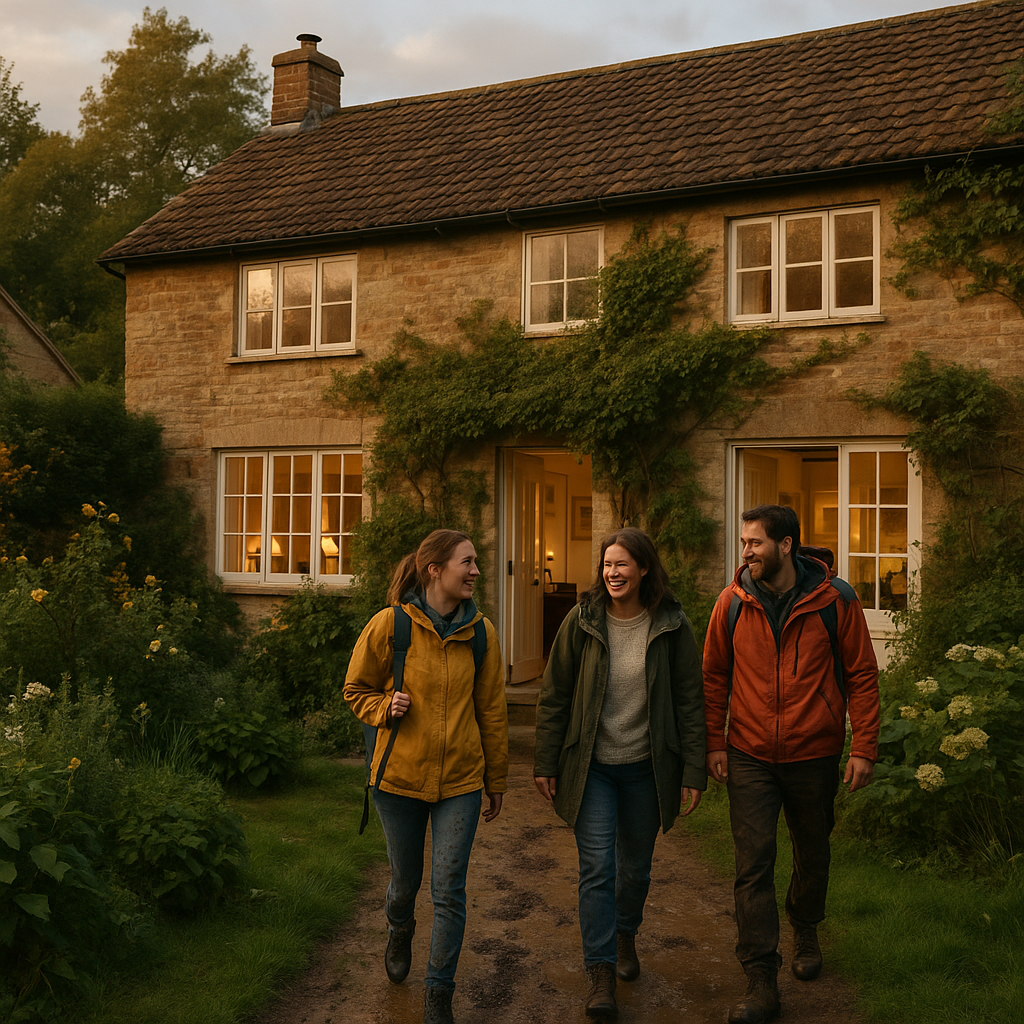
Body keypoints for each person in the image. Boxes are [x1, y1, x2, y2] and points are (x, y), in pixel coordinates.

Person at [703, 505, 880, 1024]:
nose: (746, 552)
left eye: (754, 543)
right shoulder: (731, 602)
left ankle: (804, 923)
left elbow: (863, 675)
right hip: (750, 752)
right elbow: (714, 677)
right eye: (743, 543)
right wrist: (716, 741)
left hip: (814, 752)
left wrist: (864, 747)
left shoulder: (835, 599)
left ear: (786, 546)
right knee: (752, 864)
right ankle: (761, 979)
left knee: (813, 850)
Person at [533, 527, 706, 1020]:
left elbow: (691, 701)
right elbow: (555, 693)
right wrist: (546, 761)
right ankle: (600, 971)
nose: (612, 573)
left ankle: (626, 930)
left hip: (647, 770)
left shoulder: (671, 623)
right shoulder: (582, 620)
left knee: (634, 869)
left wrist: (694, 768)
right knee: (597, 869)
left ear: (644, 568)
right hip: (593, 769)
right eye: (607, 565)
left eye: (622, 564)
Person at [344, 529, 509, 1024]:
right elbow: (355, 689)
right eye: (468, 562)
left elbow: (493, 712)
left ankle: (439, 992)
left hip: (459, 780)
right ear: (435, 569)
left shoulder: (482, 633)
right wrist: (382, 706)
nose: (476, 570)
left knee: (450, 888)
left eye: (475, 562)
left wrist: (495, 780)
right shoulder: (389, 626)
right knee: (405, 880)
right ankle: (399, 926)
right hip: (397, 780)